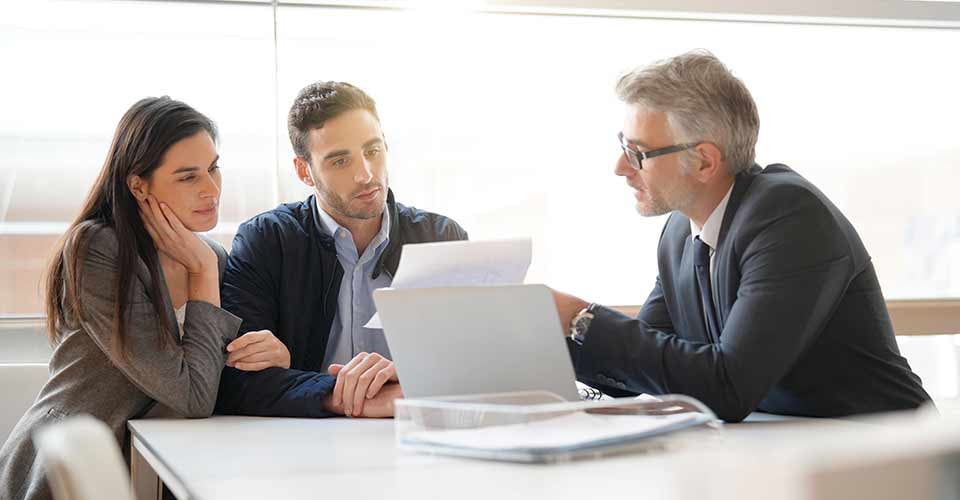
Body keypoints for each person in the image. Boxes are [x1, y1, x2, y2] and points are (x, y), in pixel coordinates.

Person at [552, 50, 930, 422]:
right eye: (623, 145)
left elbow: (728, 387)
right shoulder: (680, 235)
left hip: (888, 454)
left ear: (704, 161)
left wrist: (584, 320)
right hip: (792, 449)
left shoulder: (789, 217)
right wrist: (546, 329)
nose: (620, 167)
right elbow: (640, 367)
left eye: (637, 153)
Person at [0, 97, 292, 500]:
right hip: (73, 468)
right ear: (138, 184)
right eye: (188, 177)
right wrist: (203, 274)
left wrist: (270, 357)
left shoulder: (212, 257)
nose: (211, 189)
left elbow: (208, 375)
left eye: (213, 168)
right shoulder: (97, 248)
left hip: (160, 465)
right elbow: (191, 396)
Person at [215, 81, 468, 418]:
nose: (365, 175)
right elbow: (236, 381)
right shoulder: (267, 240)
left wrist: (408, 384)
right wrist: (344, 396)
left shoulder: (441, 238)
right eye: (339, 161)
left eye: (373, 151)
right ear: (304, 171)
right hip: (303, 443)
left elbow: (474, 366)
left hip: (419, 436)